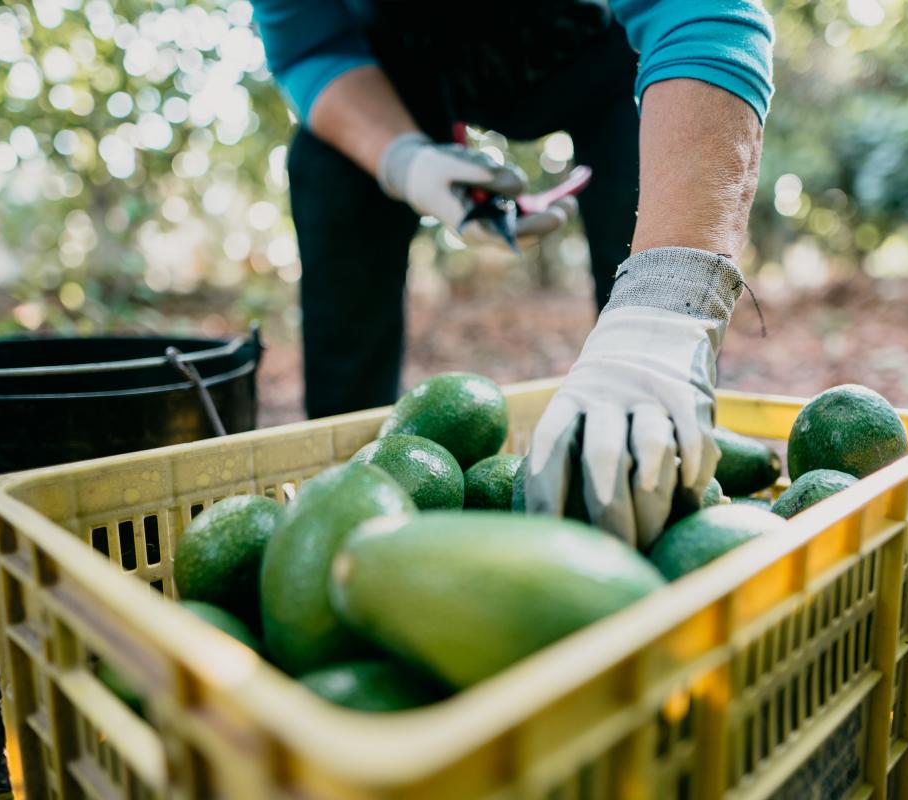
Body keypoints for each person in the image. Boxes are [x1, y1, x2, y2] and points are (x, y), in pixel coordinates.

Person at [251, 1, 774, 546]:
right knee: (329, 165)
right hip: (411, 74)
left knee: (650, 247)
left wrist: (669, 306)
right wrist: (406, 162)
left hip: (611, 55)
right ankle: (344, 505)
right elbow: (314, 50)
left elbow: (702, 13)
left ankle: (660, 440)